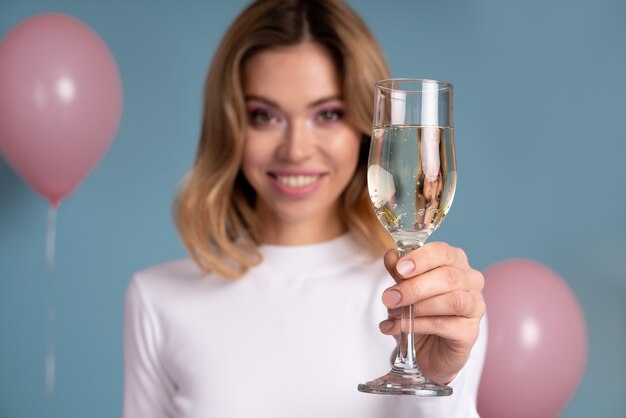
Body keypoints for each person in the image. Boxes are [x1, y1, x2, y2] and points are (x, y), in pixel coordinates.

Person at [123, 0, 487, 417]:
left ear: (368, 129)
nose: (295, 150)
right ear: (230, 127)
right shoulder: (158, 299)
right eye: (265, 116)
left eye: (327, 114)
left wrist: (440, 382)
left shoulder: (439, 302)